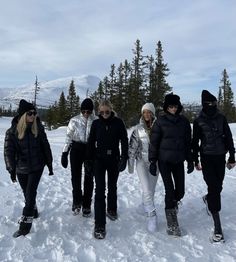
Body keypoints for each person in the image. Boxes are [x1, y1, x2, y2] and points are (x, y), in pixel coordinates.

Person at [4, 99, 53, 238]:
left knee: (30, 194)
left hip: (37, 167)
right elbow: (8, 151)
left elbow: (45, 145)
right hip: (21, 168)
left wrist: (49, 163)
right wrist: (11, 169)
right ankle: (34, 210)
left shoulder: (38, 127)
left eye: (35, 113)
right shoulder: (12, 132)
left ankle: (25, 227)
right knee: (27, 193)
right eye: (30, 113)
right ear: (23, 115)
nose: (33, 116)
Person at [192, 90, 236, 242]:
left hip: (220, 157)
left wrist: (232, 156)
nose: (212, 106)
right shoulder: (198, 121)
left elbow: (229, 137)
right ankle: (218, 227)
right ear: (204, 104)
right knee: (213, 186)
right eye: (209, 103)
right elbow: (195, 142)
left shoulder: (221, 118)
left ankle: (208, 199)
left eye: (214, 103)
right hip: (206, 158)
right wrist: (195, 159)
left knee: (218, 185)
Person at [149, 93, 193, 237]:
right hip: (164, 161)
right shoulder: (160, 122)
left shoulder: (184, 122)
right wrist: (153, 161)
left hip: (178, 160)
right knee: (169, 190)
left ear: (179, 107)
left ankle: (173, 204)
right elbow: (154, 143)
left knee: (180, 191)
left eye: (175, 106)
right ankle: (172, 224)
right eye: (170, 106)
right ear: (166, 107)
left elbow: (188, 143)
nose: (173, 109)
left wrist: (190, 160)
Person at [87, 100, 128, 239]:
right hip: (99, 160)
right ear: (98, 111)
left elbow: (124, 140)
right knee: (99, 190)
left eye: (107, 111)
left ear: (111, 110)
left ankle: (111, 209)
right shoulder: (96, 124)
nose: (104, 114)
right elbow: (91, 142)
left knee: (112, 186)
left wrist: (124, 158)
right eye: (102, 112)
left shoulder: (118, 122)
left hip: (113, 159)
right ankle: (99, 225)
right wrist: (88, 160)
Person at [61, 98, 97, 217]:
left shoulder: (96, 121)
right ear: (81, 111)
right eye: (84, 111)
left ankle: (86, 204)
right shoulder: (74, 120)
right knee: (75, 177)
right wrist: (65, 153)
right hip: (76, 149)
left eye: (88, 111)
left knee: (89, 178)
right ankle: (77, 202)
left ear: (92, 111)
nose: (86, 114)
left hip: (90, 150)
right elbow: (68, 137)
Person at [128, 103, 159, 232]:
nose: (147, 114)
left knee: (151, 190)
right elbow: (132, 148)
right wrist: (130, 164)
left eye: (149, 112)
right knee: (146, 189)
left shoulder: (159, 127)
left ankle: (144, 205)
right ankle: (152, 216)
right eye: (144, 112)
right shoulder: (137, 129)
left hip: (155, 163)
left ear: (152, 113)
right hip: (141, 161)